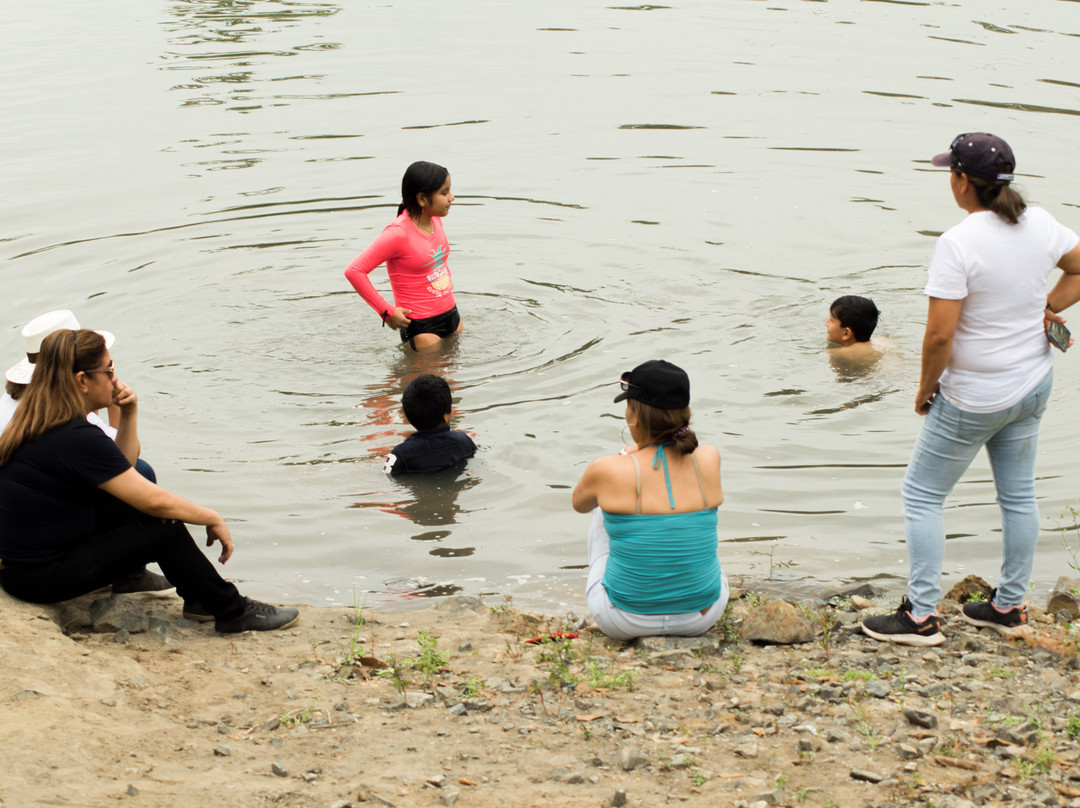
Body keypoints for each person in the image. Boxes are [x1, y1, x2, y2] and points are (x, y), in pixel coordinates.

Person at [862, 133, 1080, 646]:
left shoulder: (957, 243)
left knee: (922, 495)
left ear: (962, 181)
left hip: (974, 395)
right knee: (1018, 495)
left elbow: (939, 335)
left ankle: (920, 616)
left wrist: (925, 388)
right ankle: (1009, 606)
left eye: (951, 172)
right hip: (1032, 382)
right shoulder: (1039, 221)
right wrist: (1046, 307)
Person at [0, 329, 299, 633]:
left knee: (148, 507)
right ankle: (233, 612)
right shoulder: (73, 435)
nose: (115, 379)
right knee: (163, 528)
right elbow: (154, 501)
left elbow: (124, 468)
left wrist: (128, 412)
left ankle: (201, 598)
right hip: (38, 575)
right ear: (81, 381)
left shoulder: (43, 415)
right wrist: (212, 516)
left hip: (30, 558)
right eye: (108, 370)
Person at [4, 310, 170, 597]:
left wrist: (105, 391)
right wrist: (118, 403)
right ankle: (131, 573)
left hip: (22, 524)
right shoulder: (60, 416)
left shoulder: (15, 401)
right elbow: (123, 464)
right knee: (142, 473)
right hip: (43, 537)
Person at [571, 360, 729, 641]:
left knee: (602, 508)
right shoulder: (709, 457)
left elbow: (580, 504)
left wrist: (625, 456)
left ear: (633, 415)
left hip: (623, 620)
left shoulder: (607, 468)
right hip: (700, 617)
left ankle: (622, 600)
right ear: (685, 412)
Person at [344, 161, 460, 351]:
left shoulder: (435, 219)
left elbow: (437, 257)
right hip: (422, 328)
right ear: (422, 198)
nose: (452, 197)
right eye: (444, 192)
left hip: (452, 314)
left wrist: (447, 278)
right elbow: (354, 271)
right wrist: (387, 312)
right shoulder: (397, 233)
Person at [383, 374, 476, 475]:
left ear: (408, 417)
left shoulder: (400, 455)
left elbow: (387, 475)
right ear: (446, 417)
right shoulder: (463, 441)